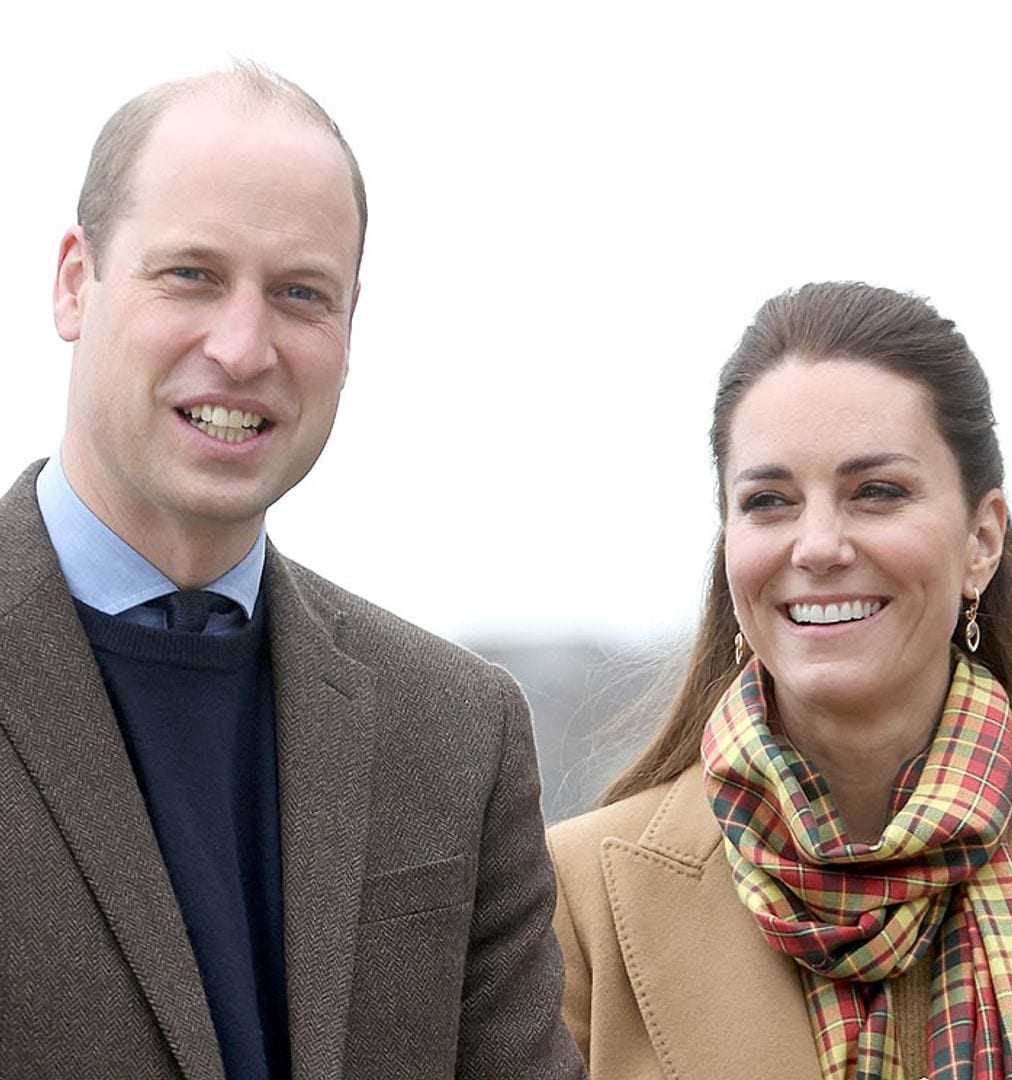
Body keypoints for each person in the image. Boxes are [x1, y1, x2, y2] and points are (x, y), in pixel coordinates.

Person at [0, 65, 585, 1080]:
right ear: (72, 282)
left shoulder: (459, 731)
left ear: (351, 327)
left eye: (299, 294)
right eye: (191, 274)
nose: (242, 346)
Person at [548, 282, 1012, 1079]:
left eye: (877, 493)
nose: (819, 545)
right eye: (770, 501)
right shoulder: (574, 901)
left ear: (981, 539)